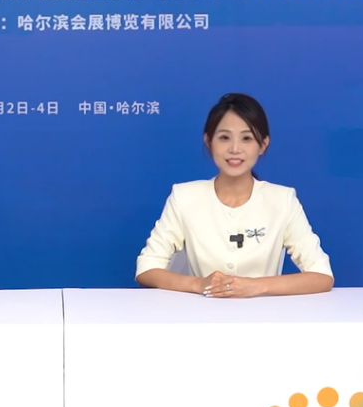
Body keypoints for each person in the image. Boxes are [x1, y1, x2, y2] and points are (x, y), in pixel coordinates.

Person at [135, 93, 333, 297]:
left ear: (263, 144)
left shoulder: (282, 200)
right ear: (209, 141)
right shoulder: (184, 196)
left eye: (247, 138)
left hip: (264, 314)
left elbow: (321, 275)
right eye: (224, 138)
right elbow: (147, 268)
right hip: (201, 313)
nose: (235, 149)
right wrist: (199, 284)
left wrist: (256, 286)